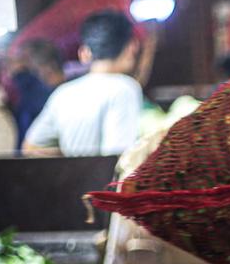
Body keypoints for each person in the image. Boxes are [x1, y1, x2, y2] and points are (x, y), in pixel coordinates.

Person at [22, 10, 143, 157]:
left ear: (85, 52)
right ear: (131, 47)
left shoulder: (63, 93)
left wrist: (72, 157)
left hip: (72, 179)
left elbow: (29, 147)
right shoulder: (125, 88)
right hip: (104, 180)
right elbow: (119, 157)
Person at [8, 39, 65, 149]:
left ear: (48, 68)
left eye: (25, 67)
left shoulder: (43, 97)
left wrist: (21, 76)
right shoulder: (30, 96)